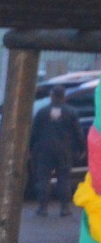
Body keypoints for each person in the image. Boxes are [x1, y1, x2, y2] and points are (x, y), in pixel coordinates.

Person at [33, 85, 84, 217]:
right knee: (64, 179)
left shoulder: (42, 112)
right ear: (64, 96)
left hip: (45, 150)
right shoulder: (71, 112)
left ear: (51, 96)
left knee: (44, 179)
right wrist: (82, 148)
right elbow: (78, 133)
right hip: (64, 151)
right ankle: (64, 208)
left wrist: (31, 148)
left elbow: (34, 133)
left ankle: (43, 208)